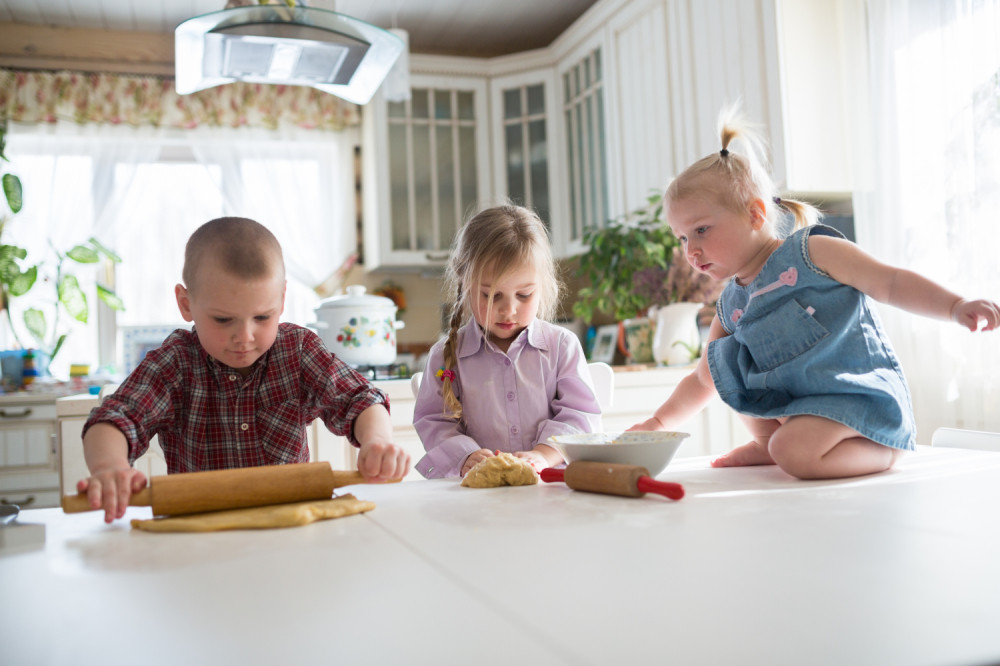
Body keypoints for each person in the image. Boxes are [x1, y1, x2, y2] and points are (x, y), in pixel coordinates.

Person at [630, 105, 1000, 480]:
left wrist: (955, 306)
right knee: (722, 358)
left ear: (756, 215)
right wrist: (657, 423)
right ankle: (767, 441)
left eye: (702, 230)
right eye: (682, 237)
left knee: (791, 451)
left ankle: (885, 450)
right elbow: (702, 379)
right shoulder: (731, 304)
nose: (690, 250)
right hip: (806, 413)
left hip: (858, 401)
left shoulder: (810, 253)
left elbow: (889, 282)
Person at [79, 217, 410, 522]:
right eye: (223, 320)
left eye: (263, 317)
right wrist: (110, 467)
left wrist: (377, 440)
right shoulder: (175, 364)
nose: (245, 337)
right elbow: (115, 419)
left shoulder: (298, 351)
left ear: (281, 301)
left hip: (289, 529)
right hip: (199, 531)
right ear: (186, 304)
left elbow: (360, 400)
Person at [413, 204, 602, 478]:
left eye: (523, 295)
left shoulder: (562, 347)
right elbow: (434, 420)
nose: (508, 310)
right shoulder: (446, 356)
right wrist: (465, 454)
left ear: (542, 286)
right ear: (465, 284)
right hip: (476, 498)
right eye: (491, 296)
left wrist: (543, 454)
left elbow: (580, 415)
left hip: (549, 493)